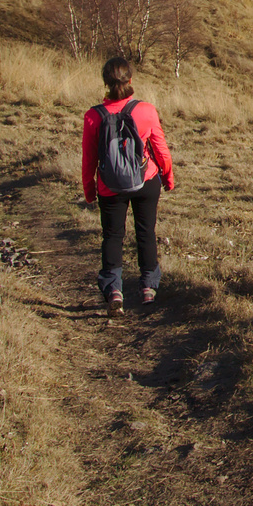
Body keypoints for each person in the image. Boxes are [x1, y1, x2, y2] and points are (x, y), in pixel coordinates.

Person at [80, 56, 175, 313]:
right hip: (145, 181)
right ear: (130, 80)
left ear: (105, 83)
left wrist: (90, 189)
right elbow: (160, 148)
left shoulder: (93, 116)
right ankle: (148, 288)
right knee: (146, 232)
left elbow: (89, 158)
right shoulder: (146, 110)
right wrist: (167, 176)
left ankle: (113, 290)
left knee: (112, 235)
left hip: (109, 187)